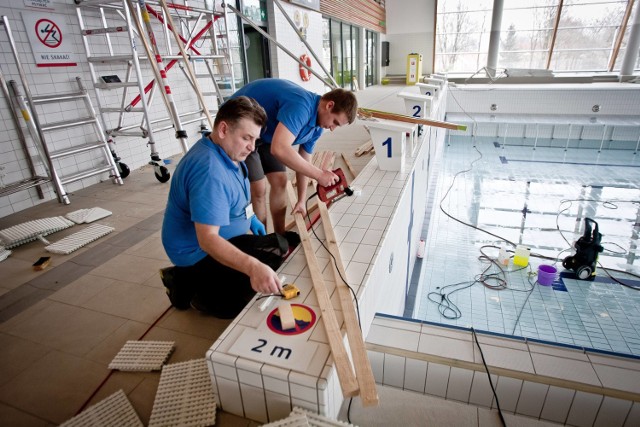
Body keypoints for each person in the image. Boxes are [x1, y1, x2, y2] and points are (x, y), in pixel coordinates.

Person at [160, 96, 290, 318]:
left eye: (255, 140)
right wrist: (252, 267)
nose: (251, 147)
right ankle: (185, 285)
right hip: (196, 253)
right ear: (223, 129)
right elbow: (207, 239)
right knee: (243, 298)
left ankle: (205, 280)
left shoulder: (228, 151)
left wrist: (250, 218)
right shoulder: (209, 172)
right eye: (246, 138)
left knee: (281, 245)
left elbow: (236, 196)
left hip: (225, 233)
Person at [229, 78, 358, 235]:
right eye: (335, 122)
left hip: (266, 133)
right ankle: (262, 242)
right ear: (329, 105)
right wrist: (319, 175)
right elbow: (279, 148)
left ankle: (279, 236)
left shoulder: (317, 128)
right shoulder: (301, 106)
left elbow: (304, 161)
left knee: (280, 181)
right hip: (240, 125)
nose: (332, 129)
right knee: (259, 188)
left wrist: (301, 200)